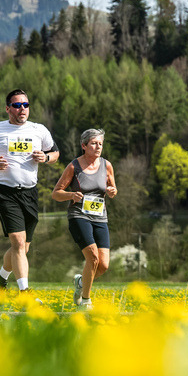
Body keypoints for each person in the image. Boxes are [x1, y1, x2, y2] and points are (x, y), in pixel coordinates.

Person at [0, 89, 59, 293]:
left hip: (30, 192)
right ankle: (24, 292)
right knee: (18, 243)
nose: (22, 109)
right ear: (8, 109)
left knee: (22, 248)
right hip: (5, 192)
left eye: (26, 105)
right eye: (17, 105)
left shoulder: (39, 130)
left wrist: (46, 158)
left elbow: (55, 152)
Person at [51, 128, 117, 310]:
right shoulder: (74, 167)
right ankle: (86, 301)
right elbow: (56, 193)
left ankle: (80, 282)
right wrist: (71, 195)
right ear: (84, 145)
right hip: (79, 215)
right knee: (93, 257)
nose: (98, 147)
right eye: (94, 143)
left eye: (100, 144)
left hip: (100, 218)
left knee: (103, 265)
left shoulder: (107, 165)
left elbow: (113, 189)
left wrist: (112, 191)